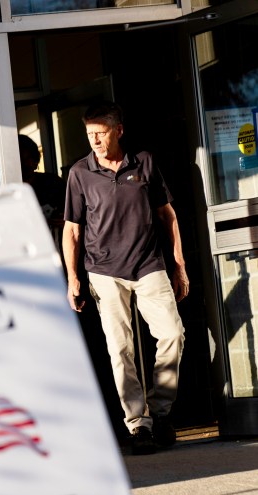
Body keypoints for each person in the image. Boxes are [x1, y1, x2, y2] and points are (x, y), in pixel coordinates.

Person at [62, 102, 187, 455]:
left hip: (149, 264)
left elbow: (168, 215)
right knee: (121, 349)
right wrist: (73, 277)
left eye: (101, 133)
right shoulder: (80, 173)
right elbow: (72, 231)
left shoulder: (144, 162)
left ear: (118, 130)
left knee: (172, 335)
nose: (95, 140)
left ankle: (161, 411)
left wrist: (178, 264)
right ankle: (138, 424)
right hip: (103, 271)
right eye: (90, 135)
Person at [18, 134, 66, 240]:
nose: (25, 164)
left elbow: (74, 212)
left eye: (29, 158)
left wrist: (68, 221)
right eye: (20, 159)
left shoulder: (53, 183)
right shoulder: (5, 189)